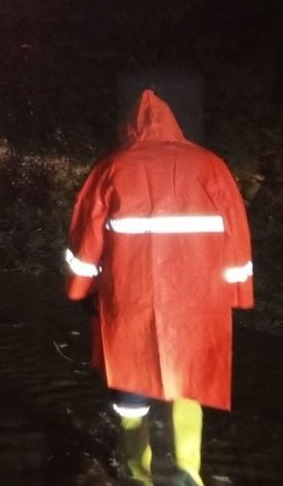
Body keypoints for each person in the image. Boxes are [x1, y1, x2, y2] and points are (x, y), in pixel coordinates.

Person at [63, 89, 254, 486]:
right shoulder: (211, 166)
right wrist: (238, 292)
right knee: (190, 380)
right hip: (199, 301)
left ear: (129, 127)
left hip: (130, 298)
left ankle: (138, 474)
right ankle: (188, 471)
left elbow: (86, 240)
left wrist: (80, 290)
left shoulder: (111, 167)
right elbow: (236, 236)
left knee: (131, 383)